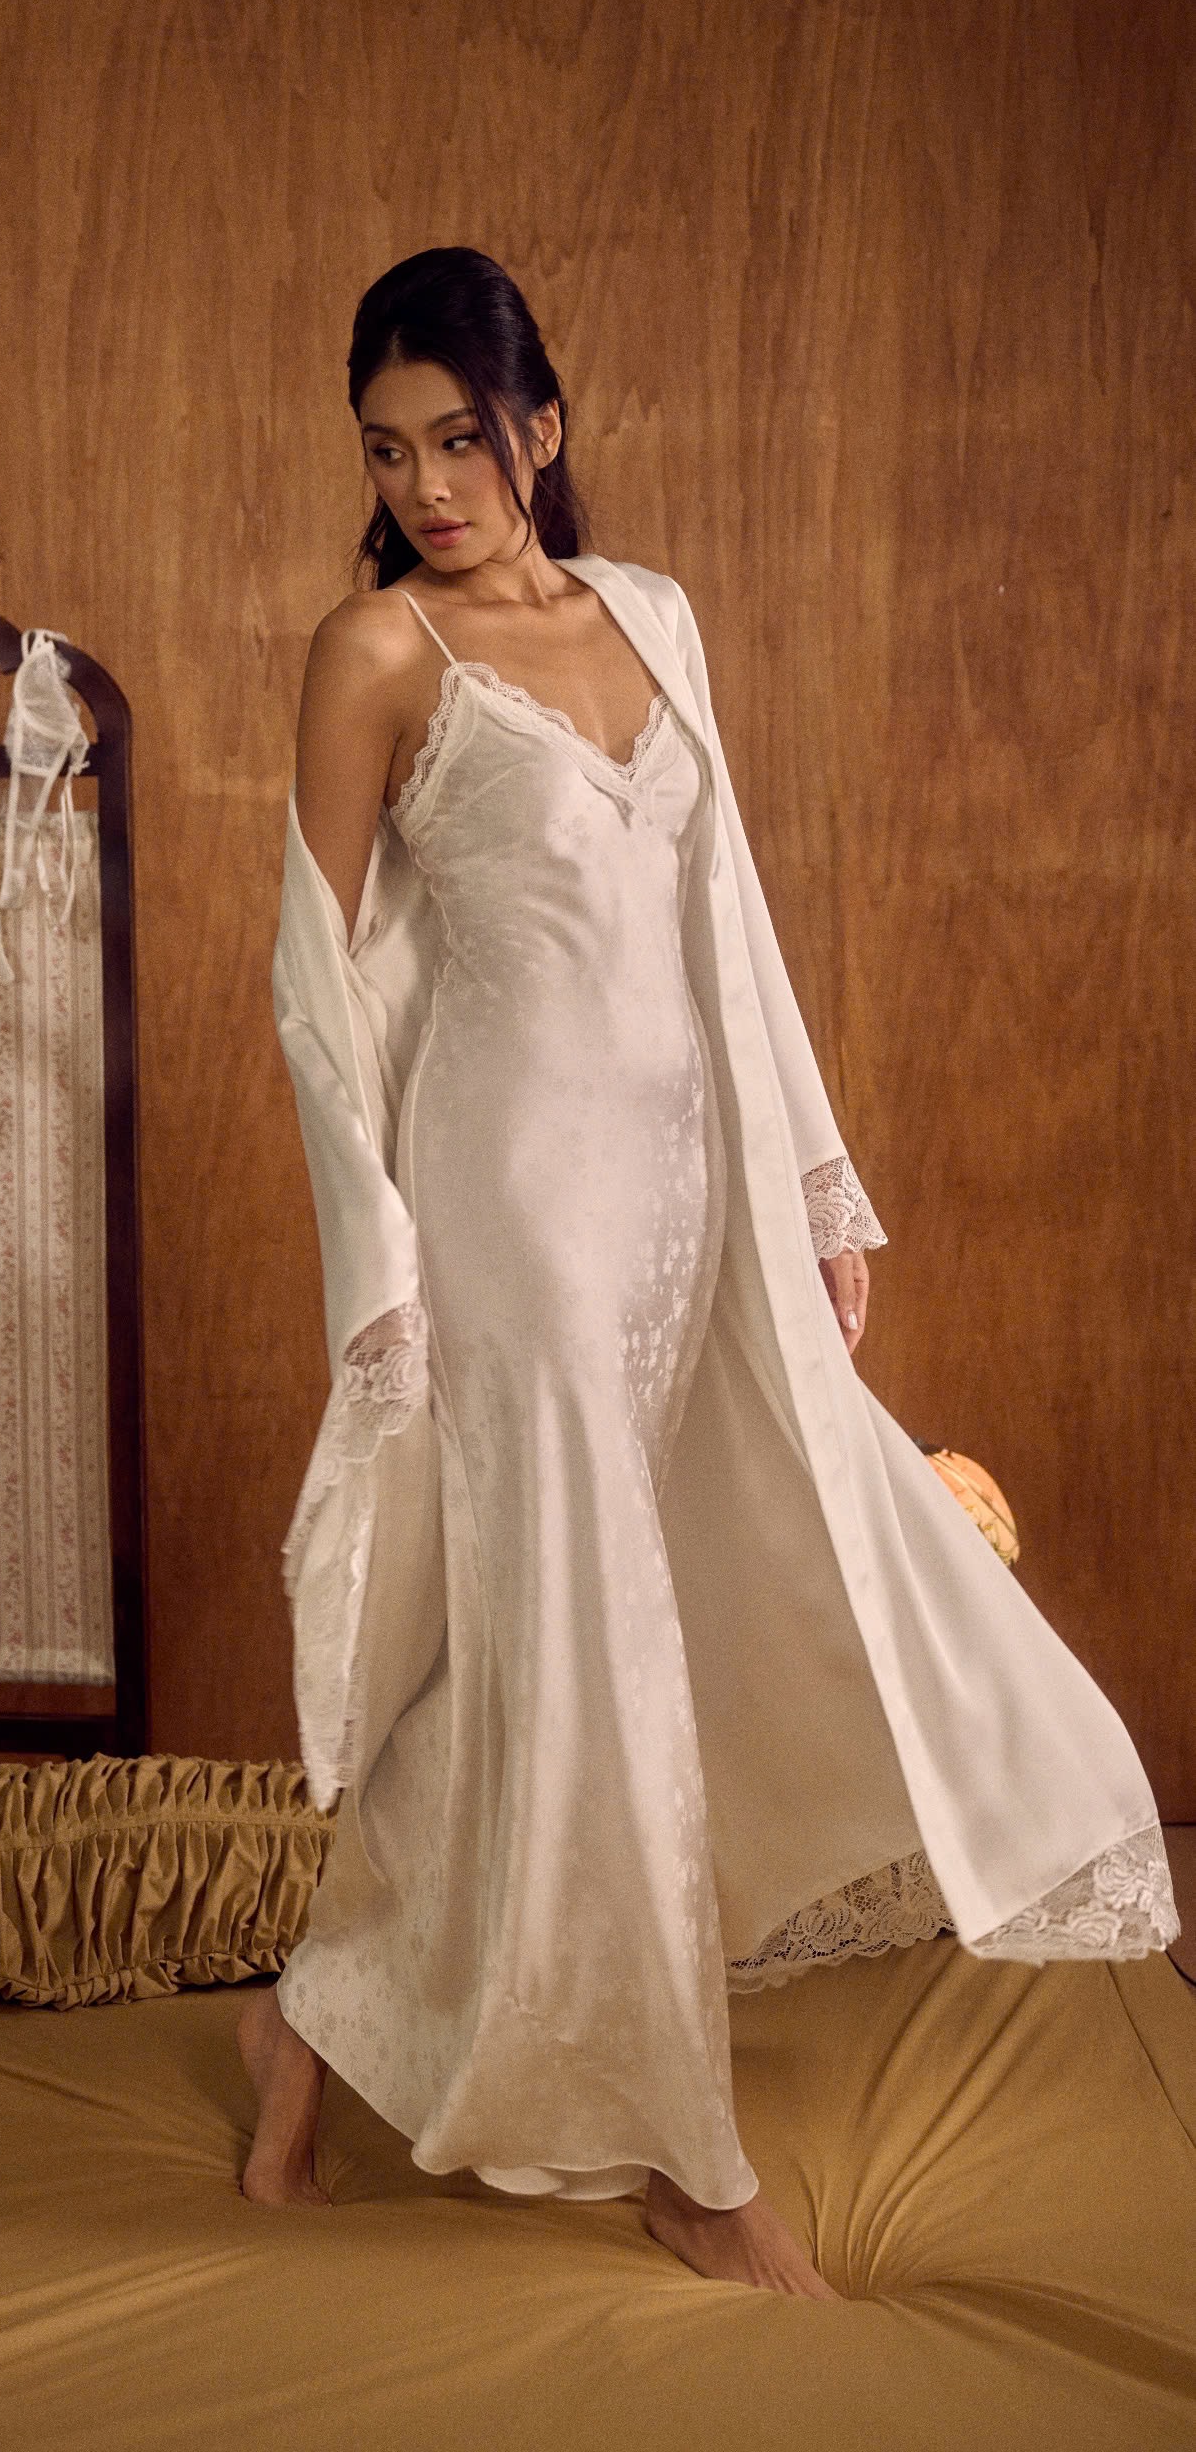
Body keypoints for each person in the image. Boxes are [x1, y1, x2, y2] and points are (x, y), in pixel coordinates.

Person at [239, 246, 1176, 2299]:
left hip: (682, 1200)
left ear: (540, 427)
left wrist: (816, 1191)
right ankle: (687, 2151)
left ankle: (307, 2023)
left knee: (562, 1640)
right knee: (586, 1645)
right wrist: (373, 1270)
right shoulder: (372, 650)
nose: (425, 487)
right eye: (386, 452)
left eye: (458, 440)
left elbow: (722, 922)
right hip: (511, 1210)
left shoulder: (650, 615)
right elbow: (318, 982)